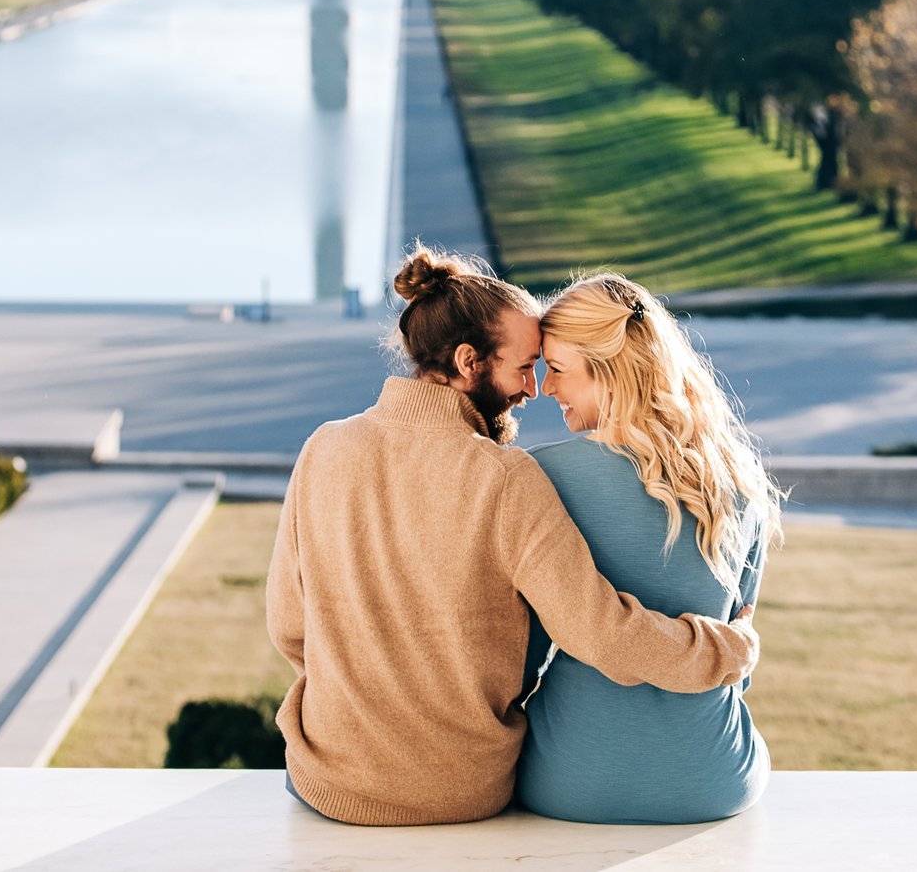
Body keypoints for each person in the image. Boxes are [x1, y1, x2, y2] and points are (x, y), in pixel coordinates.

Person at [267, 246, 760, 826]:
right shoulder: (506, 477)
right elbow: (600, 632)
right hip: (461, 792)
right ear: (470, 361)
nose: (534, 389)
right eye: (525, 367)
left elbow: (289, 626)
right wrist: (730, 649)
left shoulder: (322, 448)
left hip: (324, 779)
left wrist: (360, 710)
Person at [515, 273, 779, 824]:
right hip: (715, 780)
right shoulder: (738, 481)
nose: (545, 388)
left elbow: (518, 656)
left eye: (558, 370)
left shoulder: (542, 477)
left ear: (609, 374)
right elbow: (739, 657)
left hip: (569, 781)